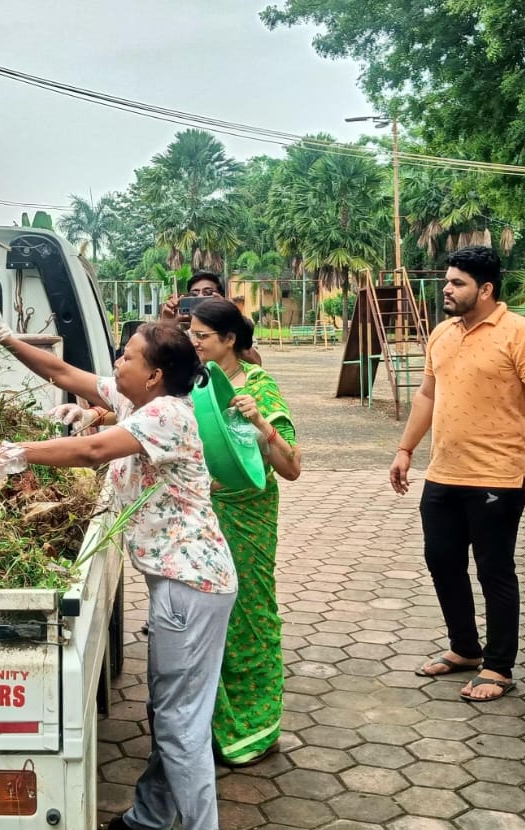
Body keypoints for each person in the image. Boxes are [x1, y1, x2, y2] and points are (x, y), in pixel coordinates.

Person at [0, 308, 236, 830]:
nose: (117, 362)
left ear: (156, 374)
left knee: (181, 725)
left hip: (190, 587)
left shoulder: (166, 416)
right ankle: (153, 817)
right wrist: (4, 337)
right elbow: (65, 375)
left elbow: (93, 450)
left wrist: (20, 453)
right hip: (178, 584)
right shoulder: (138, 401)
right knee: (170, 715)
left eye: (127, 356)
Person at [390, 245, 525, 703]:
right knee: (441, 561)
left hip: (498, 476)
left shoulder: (520, 334)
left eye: (457, 282)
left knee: (494, 571)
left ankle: (499, 666)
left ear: (485, 289)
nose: (446, 288)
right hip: (443, 473)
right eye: (447, 280)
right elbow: (427, 395)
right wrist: (406, 449)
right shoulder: (442, 333)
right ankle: (464, 648)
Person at [188, 297, 301, 766]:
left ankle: (255, 727)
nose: (192, 344)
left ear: (230, 340)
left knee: (249, 614)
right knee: (202, 618)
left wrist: (258, 423)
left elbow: (291, 467)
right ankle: (210, 727)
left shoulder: (258, 386)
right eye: (190, 335)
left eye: (202, 337)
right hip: (197, 518)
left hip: (246, 515)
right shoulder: (190, 385)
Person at [160, 271, 262, 364]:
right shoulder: (182, 336)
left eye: (208, 293)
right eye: (194, 294)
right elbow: (160, 360)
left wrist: (230, 316)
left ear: (221, 298)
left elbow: (256, 362)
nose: (200, 297)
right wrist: (167, 324)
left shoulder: (237, 330)